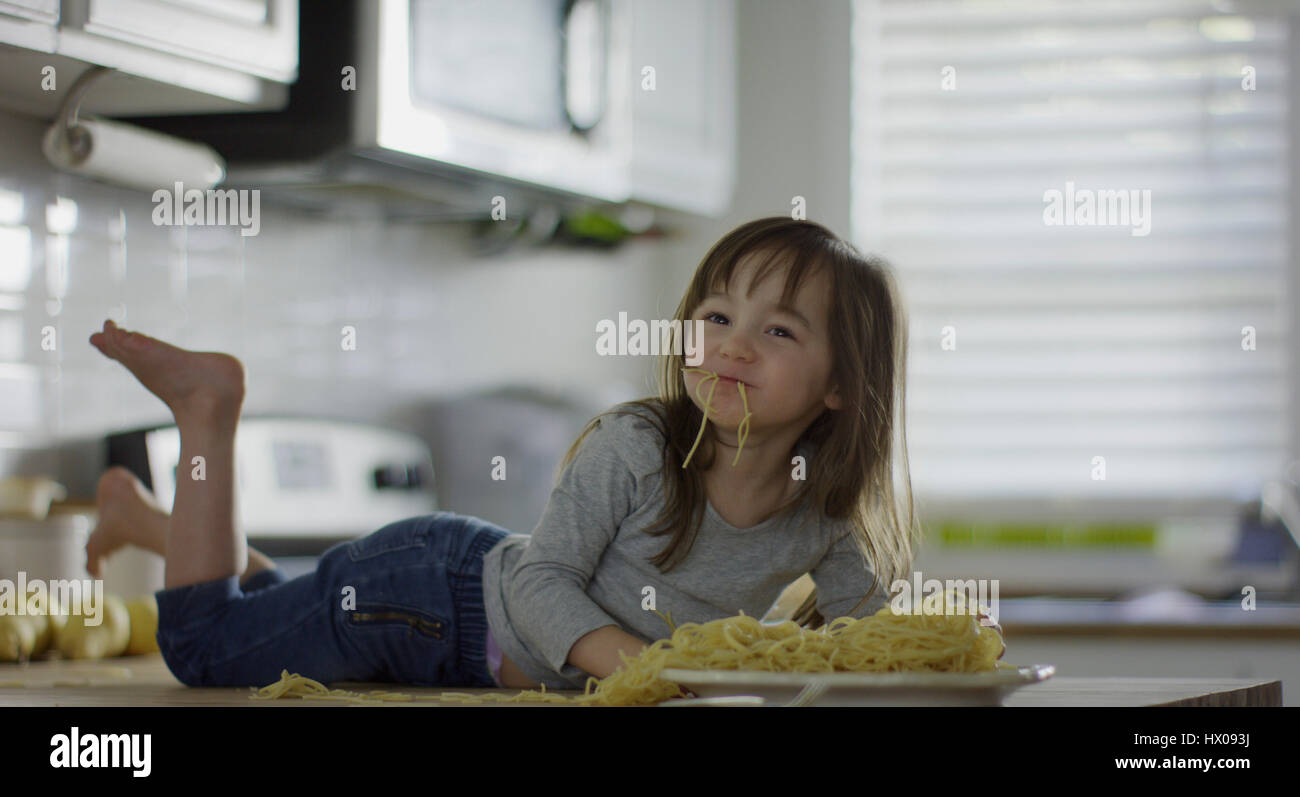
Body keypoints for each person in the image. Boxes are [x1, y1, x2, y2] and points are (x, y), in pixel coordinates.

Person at [85, 215, 994, 694]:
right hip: (428, 600)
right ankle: (208, 412)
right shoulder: (639, 445)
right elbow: (539, 583)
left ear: (842, 385)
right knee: (203, 648)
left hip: (453, 618)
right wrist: (647, 669)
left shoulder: (822, 517)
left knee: (276, 602)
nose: (733, 346)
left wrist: (956, 661)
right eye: (717, 317)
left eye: (778, 329)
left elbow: (872, 645)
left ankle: (145, 520)